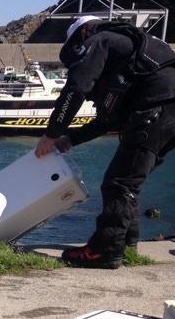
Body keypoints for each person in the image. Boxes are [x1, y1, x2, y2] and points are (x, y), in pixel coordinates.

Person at [34, 15, 175, 269]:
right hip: (166, 110)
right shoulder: (129, 46)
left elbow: (76, 88)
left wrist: (51, 134)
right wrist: (71, 138)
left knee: (120, 182)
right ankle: (126, 244)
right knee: (129, 180)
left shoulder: (99, 40)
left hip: (155, 108)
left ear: (81, 35)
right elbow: (108, 120)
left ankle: (104, 250)